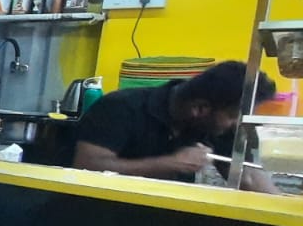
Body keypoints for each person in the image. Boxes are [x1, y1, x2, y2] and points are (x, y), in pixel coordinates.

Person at [74, 61, 280, 194]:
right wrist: (171, 163)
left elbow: (247, 177)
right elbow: (87, 165)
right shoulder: (121, 107)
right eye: (233, 116)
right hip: (102, 212)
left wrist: (284, 210)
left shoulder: (219, 126)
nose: (235, 124)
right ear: (200, 108)